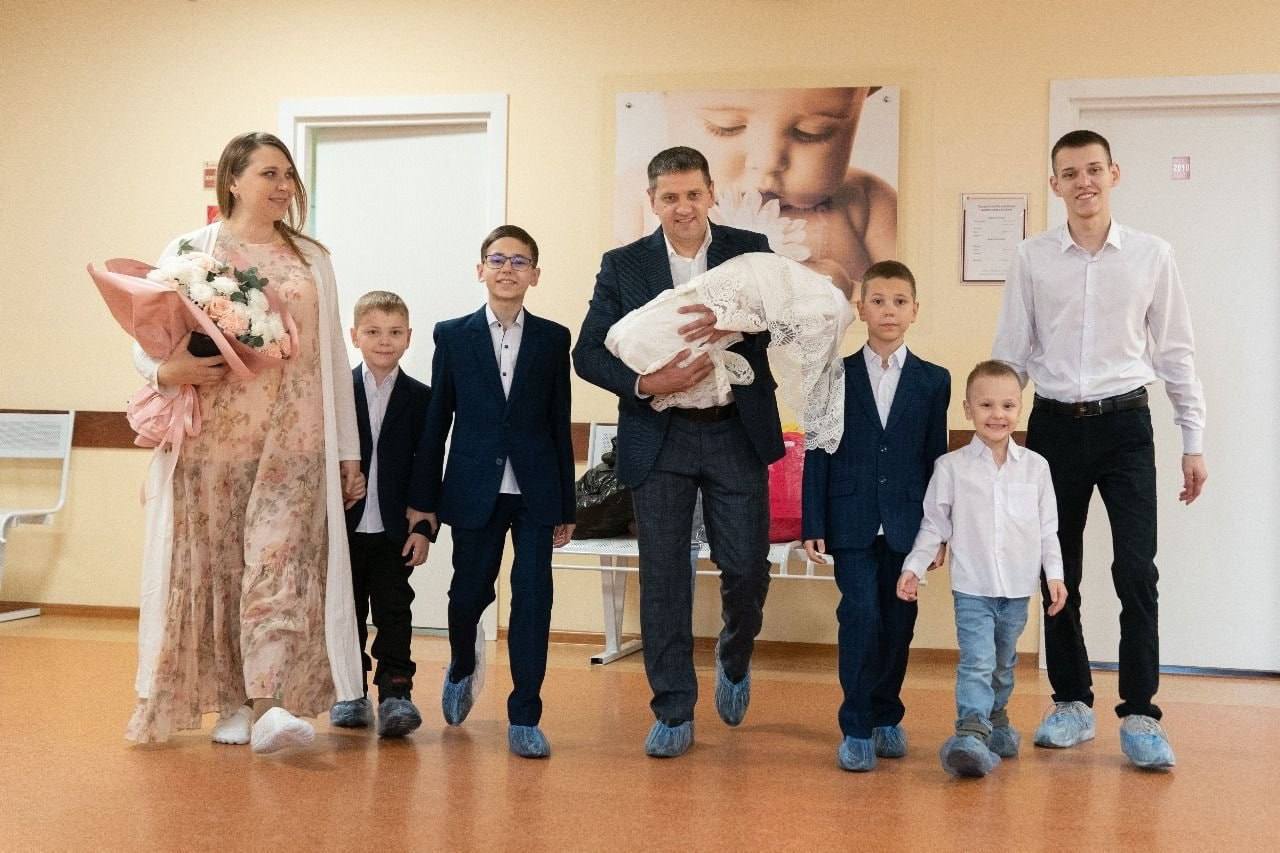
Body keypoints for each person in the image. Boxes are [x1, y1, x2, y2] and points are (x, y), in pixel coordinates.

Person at [127, 131, 366, 753]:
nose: (284, 186)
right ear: (232, 179)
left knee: (279, 562)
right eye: (269, 174)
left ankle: (269, 703)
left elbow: (331, 357)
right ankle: (230, 701)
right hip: (214, 441)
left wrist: (348, 452)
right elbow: (146, 337)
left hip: (296, 440)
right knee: (221, 570)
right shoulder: (190, 250)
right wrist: (166, 372)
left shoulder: (312, 258)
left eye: (289, 175)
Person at [992, 129, 1208, 770]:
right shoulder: (1032, 258)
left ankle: (1141, 713)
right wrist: (994, 437)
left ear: (1113, 173)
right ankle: (1071, 703)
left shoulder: (1151, 255)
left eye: (1093, 169)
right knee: (1058, 571)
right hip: (1054, 429)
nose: (1083, 182)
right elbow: (1012, 351)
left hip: (1126, 427)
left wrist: (1193, 441)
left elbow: (1176, 353)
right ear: (1054, 183)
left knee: (1137, 571)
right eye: (1069, 173)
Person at [575, 146, 782, 758]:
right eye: (670, 197)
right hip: (659, 433)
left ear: (712, 193)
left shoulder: (750, 250)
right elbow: (588, 352)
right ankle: (672, 709)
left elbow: (782, 321)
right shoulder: (623, 265)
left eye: (693, 194)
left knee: (747, 568)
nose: (683, 206)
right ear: (653, 202)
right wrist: (645, 383)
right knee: (664, 575)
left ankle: (735, 655)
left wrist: (738, 323)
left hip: (735, 430)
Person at [407, 225, 575, 759]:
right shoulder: (452, 336)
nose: (508, 269)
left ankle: (525, 714)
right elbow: (437, 422)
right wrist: (424, 502)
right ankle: (462, 663)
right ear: (480, 270)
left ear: (535, 275)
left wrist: (567, 505)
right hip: (473, 487)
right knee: (467, 596)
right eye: (498, 259)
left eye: (519, 261)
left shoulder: (553, 339)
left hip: (536, 491)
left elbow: (559, 420)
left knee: (533, 600)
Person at [801, 260, 949, 772]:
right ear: (860, 309)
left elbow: (935, 459)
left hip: (909, 525)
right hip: (851, 520)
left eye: (899, 302)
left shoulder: (933, 381)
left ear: (915, 310)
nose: (889, 310)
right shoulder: (832, 375)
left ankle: (887, 713)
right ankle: (857, 725)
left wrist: (938, 531)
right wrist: (813, 521)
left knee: (898, 622)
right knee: (861, 614)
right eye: (878, 301)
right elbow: (818, 450)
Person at [898, 360, 1068, 777]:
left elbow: (1048, 529)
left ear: (1020, 409)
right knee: (977, 661)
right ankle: (970, 734)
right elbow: (934, 524)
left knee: (1003, 664)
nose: (997, 415)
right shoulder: (951, 467)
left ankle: (997, 718)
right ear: (968, 409)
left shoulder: (1036, 467)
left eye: (1008, 405)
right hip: (972, 587)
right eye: (986, 405)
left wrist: (1055, 575)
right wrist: (914, 567)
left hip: (1018, 588)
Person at [328, 291, 432, 738]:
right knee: (346, 610)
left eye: (394, 332)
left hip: (395, 530)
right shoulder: (336, 395)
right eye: (372, 332)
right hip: (345, 528)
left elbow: (428, 467)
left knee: (394, 610)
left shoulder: (422, 398)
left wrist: (423, 527)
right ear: (354, 336)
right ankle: (349, 693)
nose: (384, 341)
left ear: (409, 337)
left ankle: (396, 693)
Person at [664, 87, 897, 284]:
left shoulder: (868, 202)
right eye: (726, 127)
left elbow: (909, 295)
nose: (768, 162)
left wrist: (846, 291)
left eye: (811, 131)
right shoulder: (653, 204)